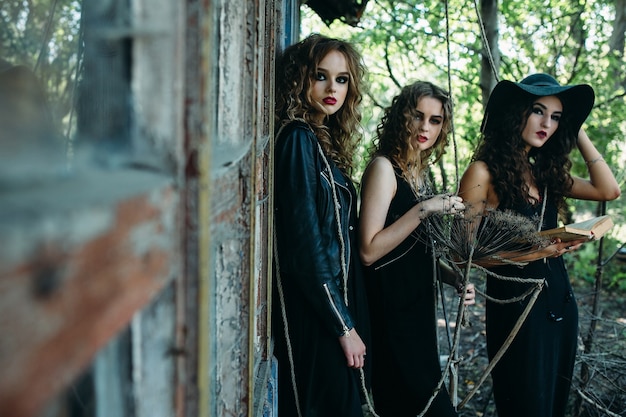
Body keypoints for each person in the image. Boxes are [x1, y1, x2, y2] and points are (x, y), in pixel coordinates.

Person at [458, 73, 621, 417]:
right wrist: (536, 252)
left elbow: (609, 190)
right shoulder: (482, 173)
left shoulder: (543, 174)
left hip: (559, 301)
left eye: (557, 117)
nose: (547, 123)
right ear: (516, 112)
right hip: (516, 304)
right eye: (538, 111)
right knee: (525, 403)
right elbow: (464, 254)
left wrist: (576, 128)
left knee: (553, 404)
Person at [359, 81, 475, 417]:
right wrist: (424, 209)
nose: (425, 127)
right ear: (400, 116)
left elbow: (409, 249)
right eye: (417, 116)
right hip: (392, 318)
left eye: (435, 120)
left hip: (418, 315)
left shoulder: (416, 172)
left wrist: (452, 276)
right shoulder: (384, 169)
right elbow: (369, 250)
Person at [272, 34, 371, 417]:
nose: (333, 88)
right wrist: (343, 326)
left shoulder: (318, 140)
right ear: (301, 80)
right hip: (315, 315)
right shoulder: (297, 140)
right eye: (321, 76)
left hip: (330, 308)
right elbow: (305, 246)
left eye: (342, 79)